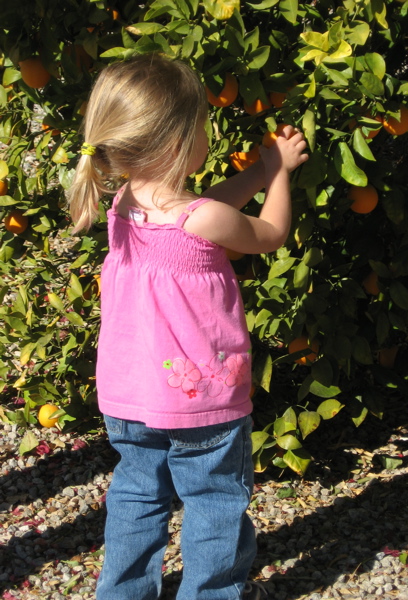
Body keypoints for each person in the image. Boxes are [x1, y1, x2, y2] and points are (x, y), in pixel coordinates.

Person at [68, 53, 308, 600]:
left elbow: (204, 208)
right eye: (201, 125)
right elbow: (268, 232)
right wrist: (280, 175)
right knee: (215, 501)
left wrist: (256, 171)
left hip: (129, 398)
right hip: (201, 401)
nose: (207, 135)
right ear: (178, 142)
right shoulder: (201, 218)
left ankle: (123, 593)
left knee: (137, 497)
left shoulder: (123, 201)